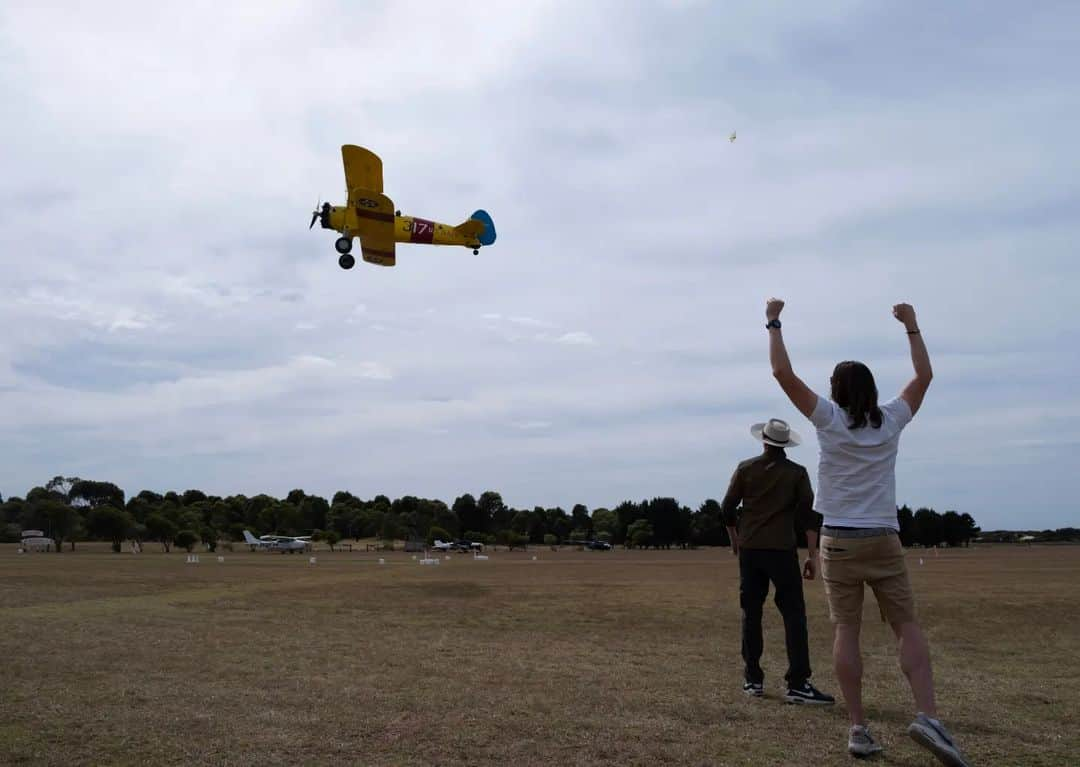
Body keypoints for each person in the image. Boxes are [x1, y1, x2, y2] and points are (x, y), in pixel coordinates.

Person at [765, 297, 970, 765]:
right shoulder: (892, 419)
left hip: (838, 540)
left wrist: (774, 322)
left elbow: (783, 375)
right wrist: (912, 326)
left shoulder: (828, 419)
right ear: (872, 389)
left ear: (835, 390)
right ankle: (929, 716)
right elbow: (924, 379)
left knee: (847, 632)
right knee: (906, 627)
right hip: (883, 536)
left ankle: (858, 728)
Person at [721, 417, 834, 705]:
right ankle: (798, 682)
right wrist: (812, 555)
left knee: (751, 613)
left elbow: (727, 507)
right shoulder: (796, 473)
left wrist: (735, 539)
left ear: (763, 440)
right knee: (794, 615)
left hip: (750, 552)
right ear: (786, 444)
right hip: (782, 551)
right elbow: (809, 516)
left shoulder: (746, 468)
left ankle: (753, 679)